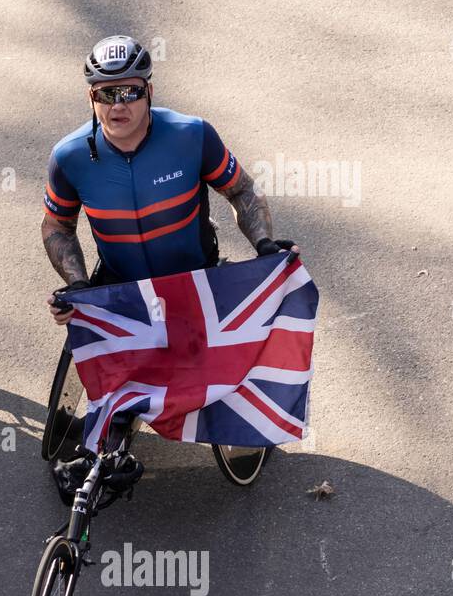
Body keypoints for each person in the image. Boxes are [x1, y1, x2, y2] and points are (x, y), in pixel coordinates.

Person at [41, 35, 298, 495]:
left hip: (196, 285)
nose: (119, 104)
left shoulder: (192, 135)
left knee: (223, 370)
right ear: (91, 97)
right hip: (123, 291)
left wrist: (262, 243)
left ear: (149, 92)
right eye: (106, 93)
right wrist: (77, 285)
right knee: (100, 454)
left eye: (130, 92)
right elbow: (57, 226)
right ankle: (114, 431)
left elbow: (240, 190)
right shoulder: (70, 157)